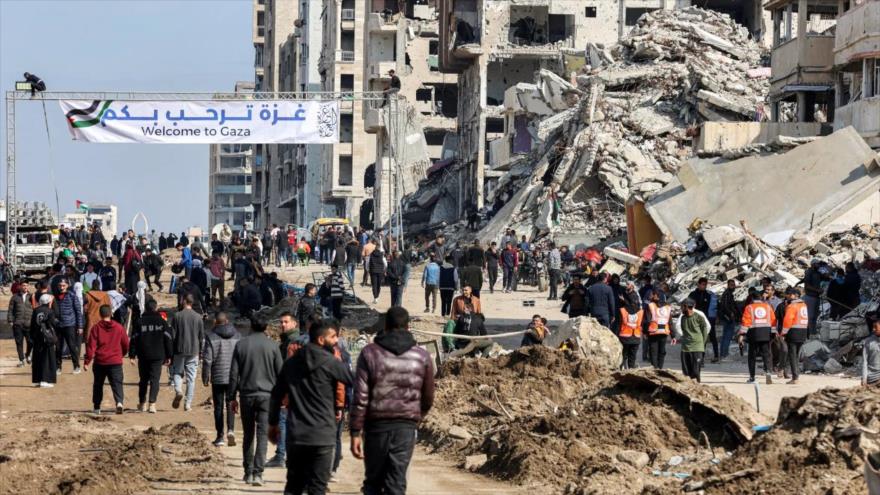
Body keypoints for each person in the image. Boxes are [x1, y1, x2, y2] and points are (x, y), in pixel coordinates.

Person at [350, 307, 434, 495]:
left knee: (373, 482)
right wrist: (417, 416)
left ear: (385, 326)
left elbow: (360, 396)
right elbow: (428, 396)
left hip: (376, 427)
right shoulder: (421, 356)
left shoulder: (369, 353)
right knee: (396, 482)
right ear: (408, 327)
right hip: (405, 426)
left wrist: (355, 430)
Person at [269, 320, 352, 494]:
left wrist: (273, 423)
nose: (336, 341)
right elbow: (353, 381)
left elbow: (276, 394)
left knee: (294, 485)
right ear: (321, 340)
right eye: (333, 337)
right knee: (317, 487)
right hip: (323, 435)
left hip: (297, 434)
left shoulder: (291, 363)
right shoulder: (332, 362)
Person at [230, 315, 284, 487]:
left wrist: (232, 397)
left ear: (251, 326)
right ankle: (258, 473)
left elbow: (233, 375)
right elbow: (281, 374)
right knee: (262, 435)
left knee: (248, 434)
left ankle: (248, 472)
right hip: (267, 396)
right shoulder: (273, 346)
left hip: (246, 395)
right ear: (266, 327)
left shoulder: (241, 344)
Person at [203, 312, 242, 446]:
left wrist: (205, 376)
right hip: (233, 376)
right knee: (231, 403)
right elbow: (241, 357)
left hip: (218, 376)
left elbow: (208, 359)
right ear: (227, 321)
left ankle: (220, 436)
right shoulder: (237, 336)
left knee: (218, 406)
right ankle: (231, 430)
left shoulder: (211, 336)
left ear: (216, 322)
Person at [84, 304, 130, 414]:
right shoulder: (119, 327)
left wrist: (87, 361)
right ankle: (119, 402)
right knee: (117, 383)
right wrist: (122, 354)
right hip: (115, 361)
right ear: (111, 313)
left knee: (98, 384)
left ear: (100, 314)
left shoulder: (96, 328)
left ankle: (97, 407)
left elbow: (91, 346)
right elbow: (125, 343)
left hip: (100, 361)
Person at [129, 299, 172, 413]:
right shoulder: (161, 321)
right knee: (155, 380)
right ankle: (152, 404)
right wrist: (169, 355)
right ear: (155, 308)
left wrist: (132, 355)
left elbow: (133, 339)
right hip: (158, 355)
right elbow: (168, 339)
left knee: (143, 380)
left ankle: (142, 403)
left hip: (143, 355)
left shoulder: (140, 321)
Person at [170, 293, 205, 411]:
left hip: (179, 349)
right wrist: (201, 352)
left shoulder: (177, 316)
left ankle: (178, 390)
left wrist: (170, 352)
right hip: (194, 350)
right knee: (191, 378)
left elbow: (172, 336)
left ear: (184, 301)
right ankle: (188, 404)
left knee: (177, 372)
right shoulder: (198, 317)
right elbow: (201, 337)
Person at [739, 289, 777, 384]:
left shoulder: (749, 307)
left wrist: (742, 335)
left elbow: (745, 322)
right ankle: (768, 372)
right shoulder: (768, 307)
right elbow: (773, 320)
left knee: (752, 356)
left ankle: (752, 377)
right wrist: (773, 334)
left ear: (752, 298)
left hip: (754, 334)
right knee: (766, 354)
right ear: (761, 298)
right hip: (766, 333)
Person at [674, 299, 709, 382]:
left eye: (682, 307)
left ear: (687, 307)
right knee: (686, 372)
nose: (681, 309)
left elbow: (705, 330)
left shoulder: (699, 317)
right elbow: (681, 329)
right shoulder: (683, 318)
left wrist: (702, 343)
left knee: (696, 371)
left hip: (697, 347)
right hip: (685, 348)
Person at [54, 277, 84, 374]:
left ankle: (76, 366)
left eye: (63, 285)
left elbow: (78, 312)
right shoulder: (55, 297)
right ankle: (58, 367)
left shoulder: (72, 296)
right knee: (58, 347)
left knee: (72, 346)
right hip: (58, 325)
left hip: (70, 324)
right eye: (60, 286)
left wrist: (80, 326)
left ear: (67, 286)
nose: (61, 287)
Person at [780, 287, 809, 384]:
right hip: (803, 332)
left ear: (794, 295)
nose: (787, 296)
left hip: (793, 332)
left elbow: (787, 321)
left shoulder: (792, 306)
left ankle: (795, 378)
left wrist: (783, 333)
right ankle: (796, 375)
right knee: (796, 355)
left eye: (789, 294)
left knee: (792, 355)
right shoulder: (803, 305)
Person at [30, 294, 58, 387]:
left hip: (37, 338)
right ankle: (45, 380)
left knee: (37, 358)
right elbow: (52, 324)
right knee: (47, 358)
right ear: (48, 301)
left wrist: (33, 337)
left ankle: (38, 379)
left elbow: (32, 325)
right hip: (47, 339)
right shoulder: (50, 311)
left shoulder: (35, 310)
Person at [8, 281, 33, 366]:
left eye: (26, 285)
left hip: (29, 323)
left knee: (31, 341)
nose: (25, 287)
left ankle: (27, 354)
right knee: (19, 342)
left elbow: (35, 308)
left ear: (28, 286)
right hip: (18, 323)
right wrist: (11, 320)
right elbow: (10, 309)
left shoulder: (32, 297)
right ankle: (21, 360)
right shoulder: (15, 297)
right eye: (23, 285)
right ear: (20, 286)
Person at [645, 291, 671, 369]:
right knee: (661, 351)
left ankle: (655, 368)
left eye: (654, 295)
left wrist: (645, 332)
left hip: (653, 332)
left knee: (653, 351)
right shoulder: (667, 307)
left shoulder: (650, 305)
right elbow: (670, 321)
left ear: (658, 296)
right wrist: (673, 335)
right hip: (664, 332)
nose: (653, 296)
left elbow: (647, 320)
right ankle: (660, 368)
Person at [617, 290, 643, 369]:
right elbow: (642, 324)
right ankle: (631, 371)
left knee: (623, 355)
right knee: (632, 357)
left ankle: (622, 369)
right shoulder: (640, 311)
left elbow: (618, 324)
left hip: (624, 337)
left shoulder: (622, 310)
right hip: (636, 337)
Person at [862, 311, 880, 387]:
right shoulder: (868, 341)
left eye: (876, 327)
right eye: (873, 327)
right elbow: (864, 362)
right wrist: (864, 379)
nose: (873, 329)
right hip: (871, 378)